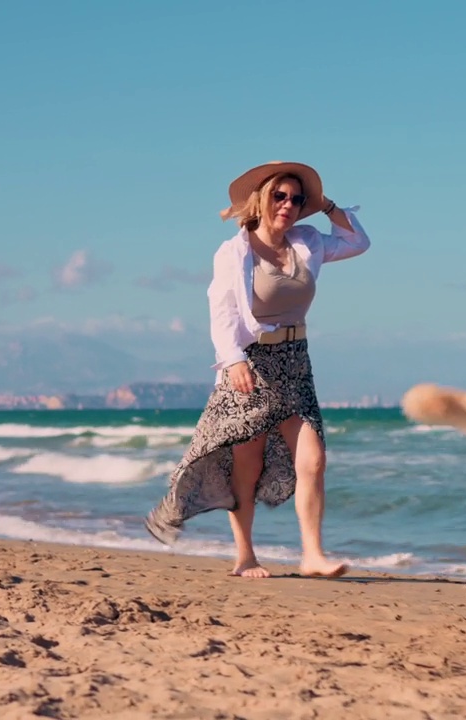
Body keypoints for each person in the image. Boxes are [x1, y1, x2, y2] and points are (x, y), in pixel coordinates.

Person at [145, 161, 370, 579]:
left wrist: (327, 205)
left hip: (296, 362)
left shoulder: (308, 242)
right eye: (279, 196)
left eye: (296, 198)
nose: (287, 205)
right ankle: (245, 555)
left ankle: (312, 555)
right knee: (246, 466)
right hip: (252, 364)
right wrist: (233, 361)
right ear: (261, 200)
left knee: (314, 459)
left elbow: (357, 240)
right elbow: (222, 311)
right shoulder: (234, 252)